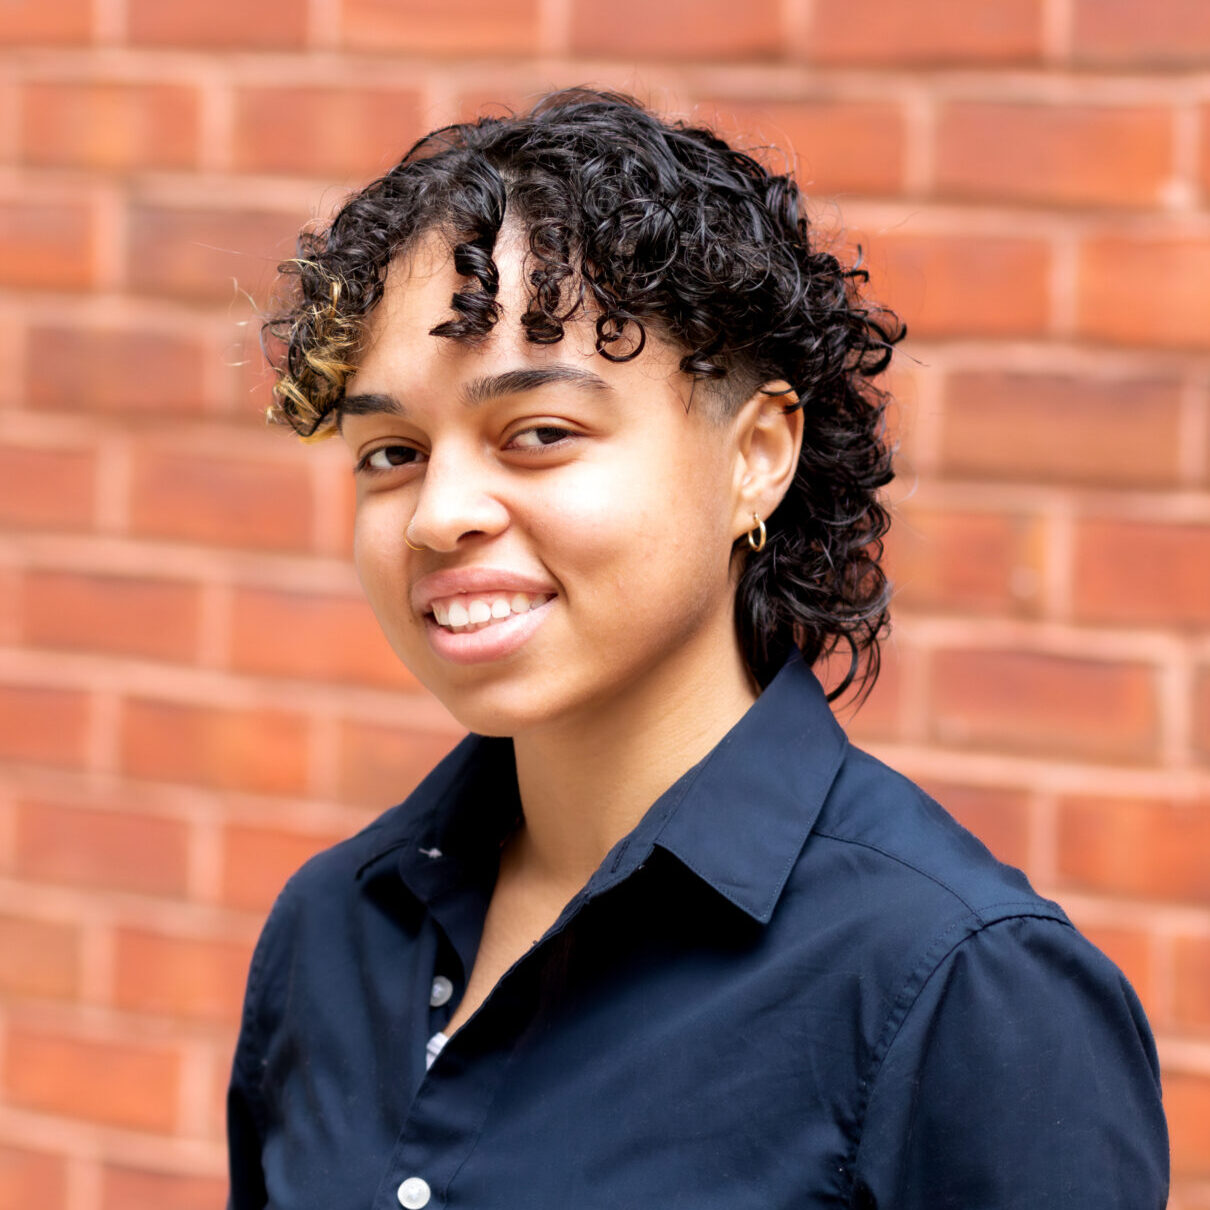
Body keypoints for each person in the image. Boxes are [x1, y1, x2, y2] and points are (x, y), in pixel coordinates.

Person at [227, 89, 1168, 1208]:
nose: (440, 514)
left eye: (537, 434)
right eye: (389, 451)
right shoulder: (331, 930)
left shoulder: (961, 985)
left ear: (756, 455)